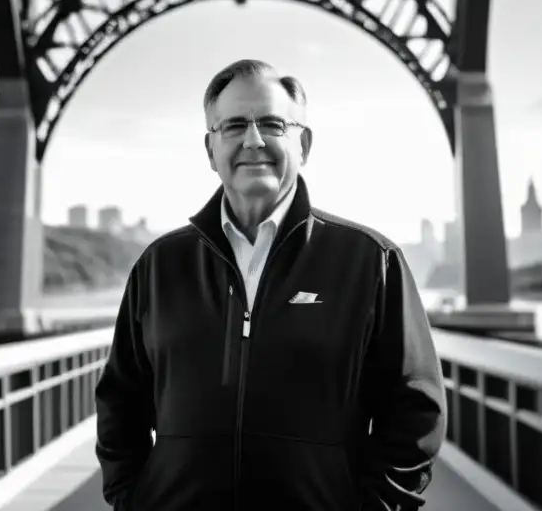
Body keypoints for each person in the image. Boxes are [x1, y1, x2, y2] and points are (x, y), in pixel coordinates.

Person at [95, 59, 446, 510]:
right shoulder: (159, 266)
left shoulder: (371, 262)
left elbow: (415, 409)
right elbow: (120, 399)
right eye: (234, 125)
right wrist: (132, 501)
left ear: (305, 143)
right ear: (210, 149)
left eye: (273, 124)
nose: (253, 140)